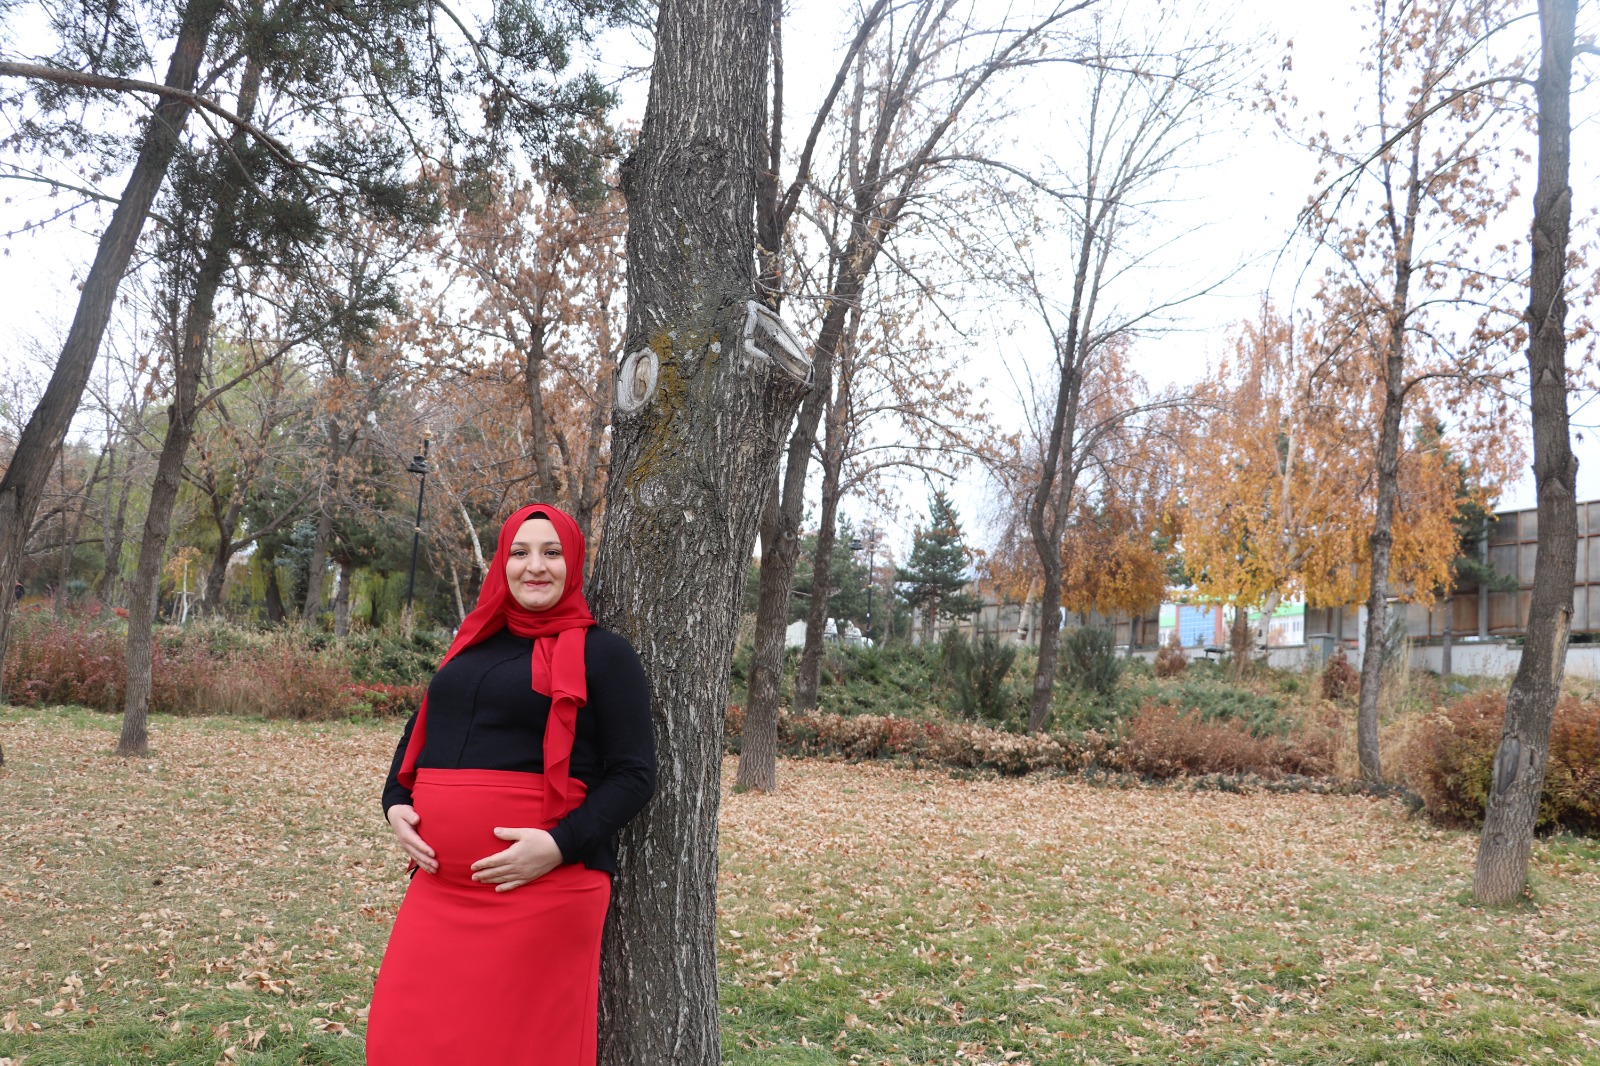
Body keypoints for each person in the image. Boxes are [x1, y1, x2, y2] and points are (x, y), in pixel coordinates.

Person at [366, 503, 655, 1065]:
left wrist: (557, 845)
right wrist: (395, 802)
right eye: (520, 552)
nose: (535, 566)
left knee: (515, 1050)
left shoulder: (605, 654)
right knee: (398, 1040)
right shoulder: (471, 645)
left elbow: (634, 774)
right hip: (439, 888)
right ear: (502, 562)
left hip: (543, 891)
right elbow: (420, 733)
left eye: (552, 552)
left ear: (573, 563)